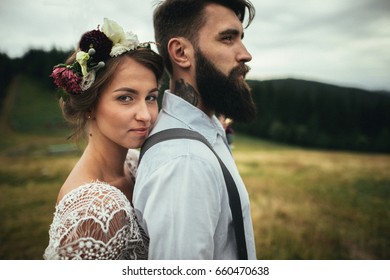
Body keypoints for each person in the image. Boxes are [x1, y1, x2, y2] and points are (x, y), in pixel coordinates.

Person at [133, 0, 257, 259]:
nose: (245, 54)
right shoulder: (184, 162)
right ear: (180, 52)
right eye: (227, 38)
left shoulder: (205, 129)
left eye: (241, 38)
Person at [43, 18, 164, 260]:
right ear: (90, 106)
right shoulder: (94, 209)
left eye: (150, 97)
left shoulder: (134, 164)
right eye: (125, 98)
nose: (145, 115)